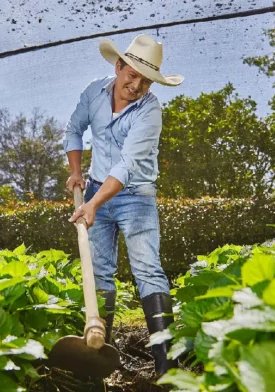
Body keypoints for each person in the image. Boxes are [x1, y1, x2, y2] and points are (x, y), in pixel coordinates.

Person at [64, 34, 183, 378]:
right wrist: (76, 174)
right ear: (118, 66)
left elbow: (129, 164)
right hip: (97, 187)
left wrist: (93, 205)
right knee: (99, 272)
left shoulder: (151, 109)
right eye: (132, 75)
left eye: (146, 80)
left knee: (147, 270)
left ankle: (166, 367)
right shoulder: (94, 92)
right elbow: (74, 130)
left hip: (136, 194)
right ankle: (100, 357)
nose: (137, 85)